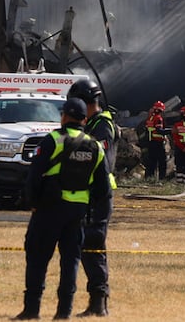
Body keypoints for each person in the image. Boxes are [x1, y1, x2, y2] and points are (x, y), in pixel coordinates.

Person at [15, 97, 110, 321]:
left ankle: (31, 310)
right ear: (84, 120)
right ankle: (64, 312)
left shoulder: (53, 140)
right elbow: (102, 189)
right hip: (77, 214)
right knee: (71, 261)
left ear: (64, 117)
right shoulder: (95, 145)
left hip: (49, 210)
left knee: (38, 258)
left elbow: (34, 177)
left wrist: (34, 204)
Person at [68, 78, 117, 318]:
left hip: (99, 195)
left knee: (93, 244)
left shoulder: (102, 125)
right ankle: (96, 301)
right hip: (88, 194)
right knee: (88, 246)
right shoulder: (93, 124)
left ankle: (99, 301)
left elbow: (99, 160)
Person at [141, 101, 168, 181]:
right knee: (162, 162)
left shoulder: (150, 118)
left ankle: (149, 178)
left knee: (152, 162)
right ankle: (162, 178)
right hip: (158, 143)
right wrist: (170, 131)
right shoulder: (158, 118)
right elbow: (159, 130)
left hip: (150, 142)